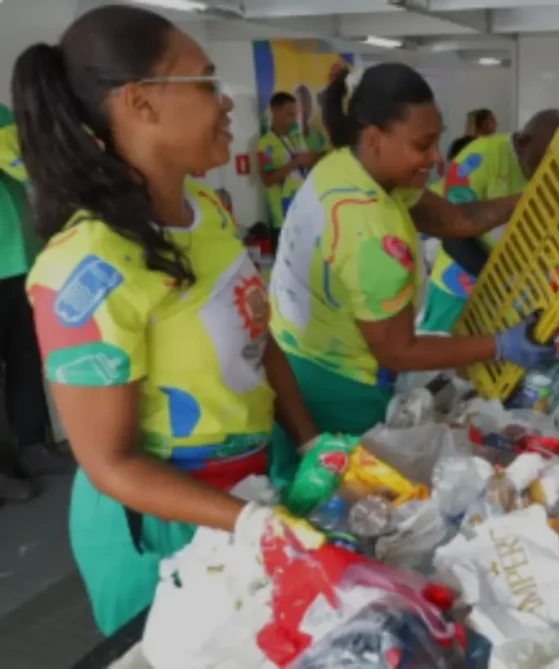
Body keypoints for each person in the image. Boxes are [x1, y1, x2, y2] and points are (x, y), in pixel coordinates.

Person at [13, 5, 326, 636]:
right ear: (140, 102)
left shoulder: (207, 210)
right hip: (162, 527)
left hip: (250, 485)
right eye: (207, 81)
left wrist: (309, 442)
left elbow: (257, 340)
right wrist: (247, 522)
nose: (227, 102)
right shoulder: (86, 269)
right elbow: (110, 463)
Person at [268, 63, 554, 482]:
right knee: (348, 496)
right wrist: (499, 345)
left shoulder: (346, 165)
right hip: (337, 386)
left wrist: (531, 197)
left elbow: (454, 219)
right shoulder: (371, 230)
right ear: (374, 138)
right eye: (423, 145)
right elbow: (398, 352)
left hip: (292, 356)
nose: (436, 158)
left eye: (437, 141)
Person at [419, 109, 559, 333]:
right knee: (438, 347)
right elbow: (452, 235)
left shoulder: (552, 168)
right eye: (543, 162)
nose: (547, 171)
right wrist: (499, 281)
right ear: (523, 143)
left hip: (512, 293)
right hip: (460, 286)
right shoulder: (481, 158)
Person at [0, 105, 75, 504]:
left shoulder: (1, 114)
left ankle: (33, 447)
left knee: (26, 361)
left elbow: (29, 162)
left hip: (19, 261)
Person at [257, 91, 317, 245]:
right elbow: (267, 180)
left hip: (304, 211)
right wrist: (295, 163)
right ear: (275, 112)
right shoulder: (265, 144)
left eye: (295, 114)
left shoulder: (297, 138)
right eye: (289, 114)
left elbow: (307, 163)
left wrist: (311, 159)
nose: (294, 119)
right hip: (283, 217)